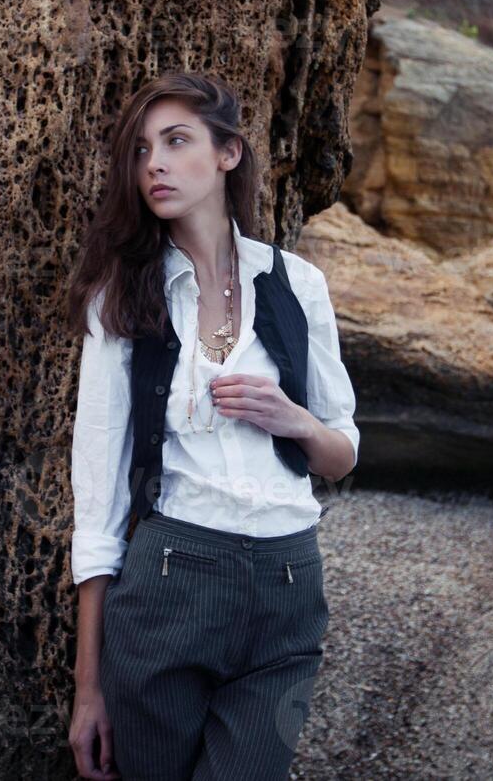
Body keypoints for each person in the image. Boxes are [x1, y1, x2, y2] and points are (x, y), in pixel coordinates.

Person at [63, 71, 360, 780]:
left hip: (290, 585)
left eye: (175, 142)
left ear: (227, 153)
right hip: (170, 585)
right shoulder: (123, 299)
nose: (155, 165)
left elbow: (342, 453)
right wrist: (87, 690)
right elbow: (98, 507)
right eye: (140, 152)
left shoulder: (296, 285)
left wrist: (293, 420)